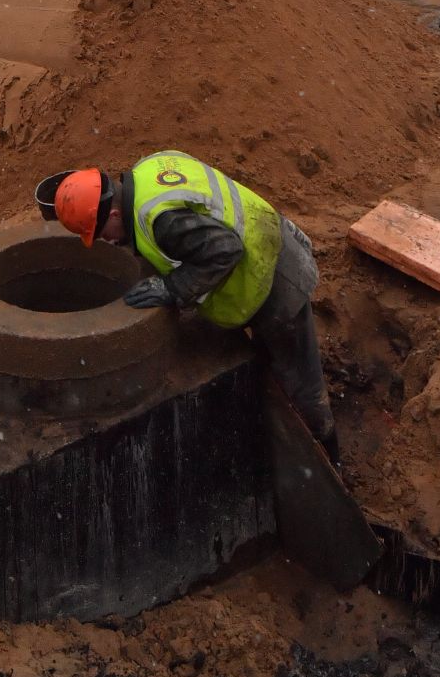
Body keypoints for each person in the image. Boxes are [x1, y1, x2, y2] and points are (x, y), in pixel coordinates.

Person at [37, 153, 337, 460]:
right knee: (270, 362)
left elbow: (225, 249)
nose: (106, 242)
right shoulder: (147, 170)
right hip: (263, 247)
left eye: (101, 234)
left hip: (274, 278)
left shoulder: (160, 220)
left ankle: (327, 458)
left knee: (300, 383)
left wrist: (173, 287)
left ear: (114, 215)